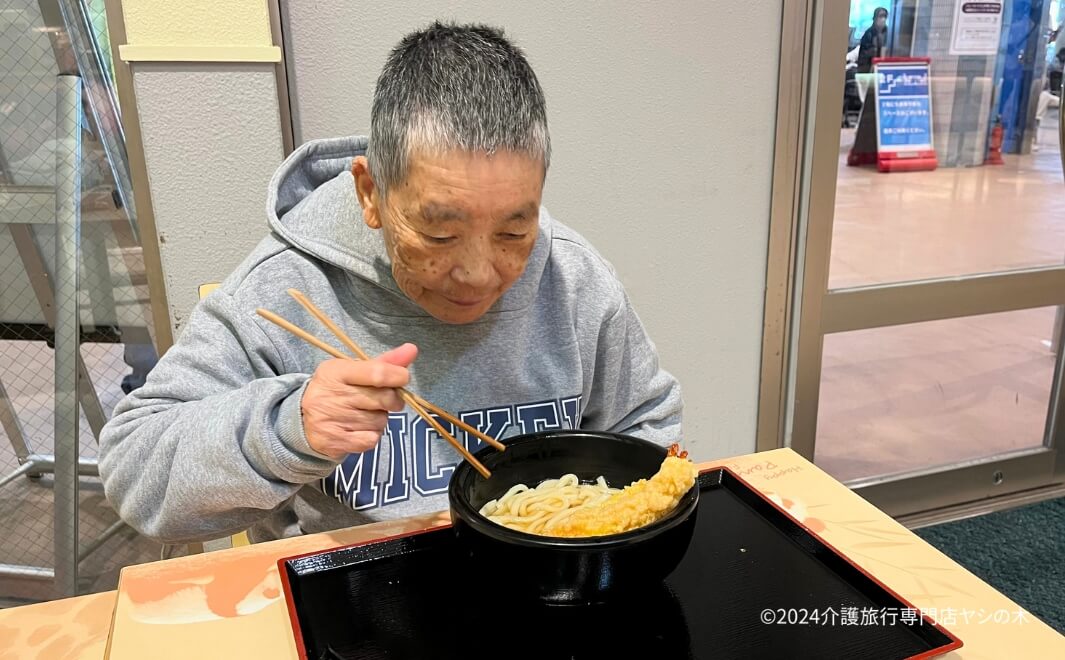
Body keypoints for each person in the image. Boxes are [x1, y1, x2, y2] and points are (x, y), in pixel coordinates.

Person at [99, 22, 683, 544]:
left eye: (513, 232)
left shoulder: (575, 281)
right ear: (370, 193)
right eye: (439, 233)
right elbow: (136, 473)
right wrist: (287, 426)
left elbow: (645, 421)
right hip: (362, 599)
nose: (479, 274)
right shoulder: (284, 289)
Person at [856, 7, 889, 74]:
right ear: (875, 18)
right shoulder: (868, 34)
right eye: (880, 16)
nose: (883, 19)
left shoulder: (889, 33)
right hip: (869, 67)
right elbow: (863, 56)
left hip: (885, 67)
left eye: (885, 16)